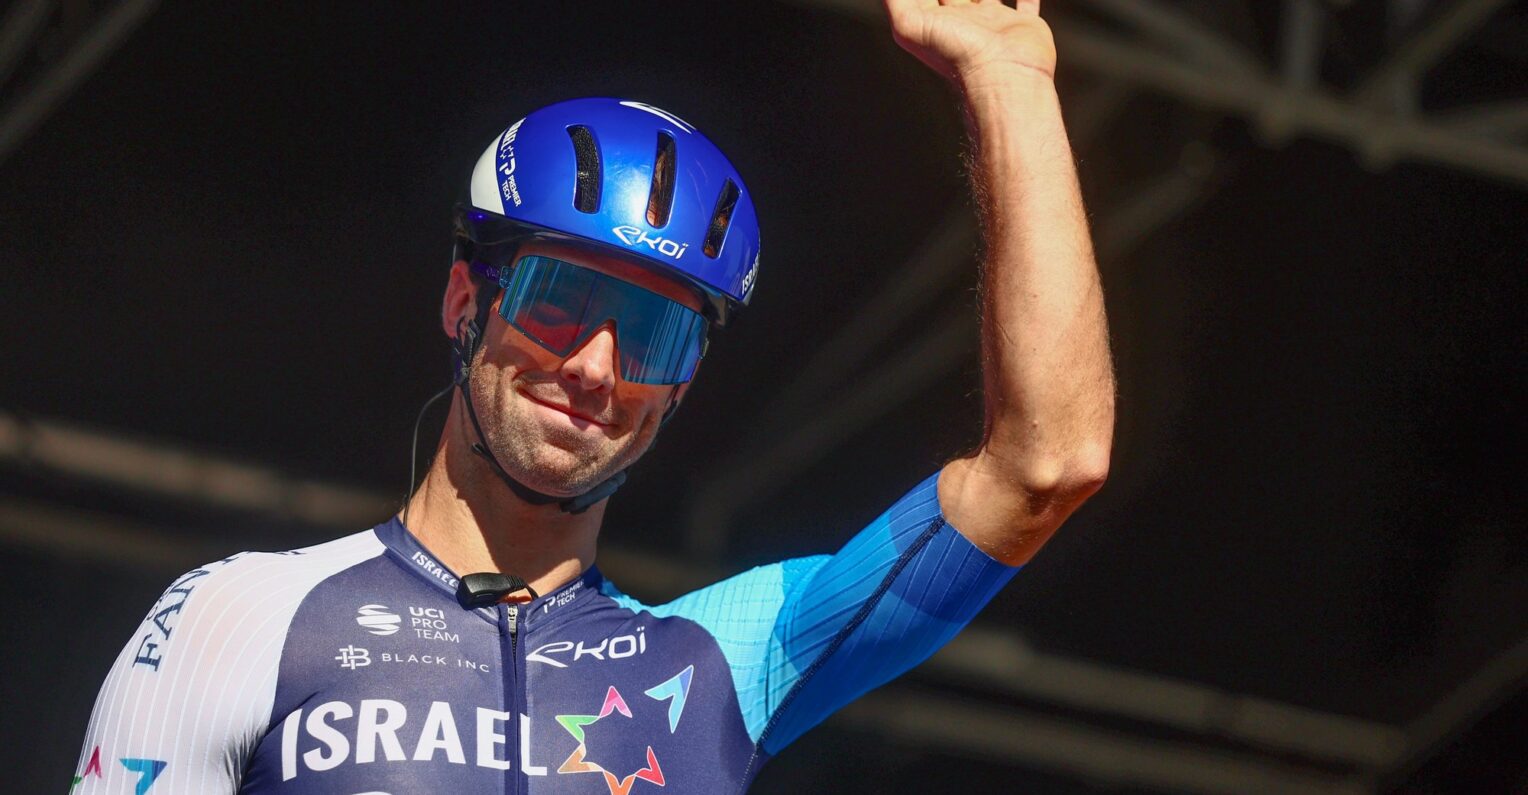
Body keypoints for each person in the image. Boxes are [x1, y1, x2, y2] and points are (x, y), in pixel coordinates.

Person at [71, 1, 1113, 792]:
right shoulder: (241, 618)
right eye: (561, 301)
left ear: (682, 383)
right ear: (464, 300)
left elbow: (1047, 462)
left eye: (653, 334)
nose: (596, 368)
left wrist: (1010, 79)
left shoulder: (728, 658)